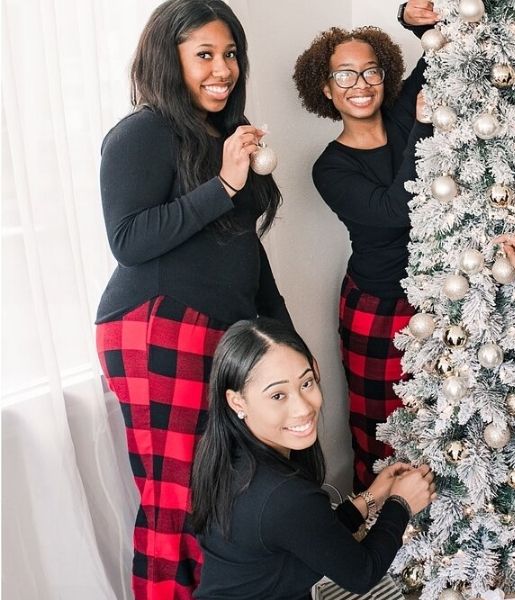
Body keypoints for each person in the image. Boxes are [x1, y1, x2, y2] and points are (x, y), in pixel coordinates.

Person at [94, 1, 293, 597]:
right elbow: (128, 240)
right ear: (168, 58)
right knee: (178, 495)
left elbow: (243, 245)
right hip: (156, 325)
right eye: (204, 54)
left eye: (230, 53)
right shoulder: (142, 132)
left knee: (229, 488)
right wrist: (224, 184)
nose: (222, 68)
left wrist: (284, 336)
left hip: (221, 326)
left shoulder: (228, 134)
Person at [293, 1, 438, 491]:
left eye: (371, 70)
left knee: (439, 422)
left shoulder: (400, 117)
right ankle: (377, 522)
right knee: (382, 430)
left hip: (440, 297)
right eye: (345, 75)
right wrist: (423, 125)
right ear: (326, 88)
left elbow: (441, 49)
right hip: (378, 306)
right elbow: (398, 209)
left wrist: (407, 18)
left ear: (384, 76)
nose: (360, 83)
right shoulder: (330, 167)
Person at [191, 318, 435, 599]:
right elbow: (362, 573)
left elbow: (311, 534)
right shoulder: (282, 494)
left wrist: (372, 497)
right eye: (278, 395)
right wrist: (401, 504)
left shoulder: (229, 456)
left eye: (306, 383)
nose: (303, 408)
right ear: (238, 402)